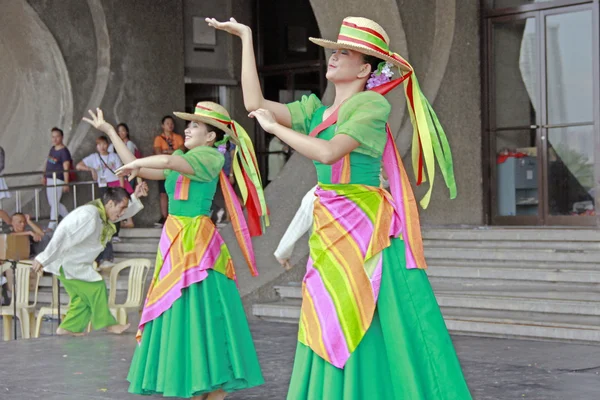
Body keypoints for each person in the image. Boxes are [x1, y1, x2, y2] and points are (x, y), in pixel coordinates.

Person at [209, 16, 469, 399]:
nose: (333, 56)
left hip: (365, 227)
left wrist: (275, 130)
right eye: (334, 50)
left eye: (344, 52)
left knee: (379, 317)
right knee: (330, 313)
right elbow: (253, 103)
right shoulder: (318, 110)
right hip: (329, 221)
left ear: (365, 69)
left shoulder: (370, 106)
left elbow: (329, 151)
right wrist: (246, 37)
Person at [84, 103, 266, 400]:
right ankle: (197, 382)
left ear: (210, 137)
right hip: (176, 240)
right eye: (189, 125)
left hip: (198, 245)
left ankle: (209, 384)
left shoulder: (209, 157)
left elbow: (167, 164)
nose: (188, 129)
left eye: (195, 126)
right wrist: (108, 131)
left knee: (201, 313)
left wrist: (137, 166)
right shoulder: (184, 156)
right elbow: (137, 165)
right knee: (183, 313)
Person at [32, 184, 148, 336]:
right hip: (65, 263)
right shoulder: (89, 216)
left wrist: (135, 196)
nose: (123, 213)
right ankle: (109, 324)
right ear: (110, 204)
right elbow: (63, 235)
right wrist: (43, 258)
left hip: (73, 263)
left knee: (82, 298)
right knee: (96, 286)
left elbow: (122, 213)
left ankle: (68, 328)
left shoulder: (103, 214)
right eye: (122, 208)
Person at [153, 116, 184, 227]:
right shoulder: (159, 138)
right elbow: (158, 153)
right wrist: (172, 152)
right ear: (163, 126)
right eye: (167, 123)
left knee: (177, 192)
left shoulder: (178, 137)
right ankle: (164, 217)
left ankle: (175, 215)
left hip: (177, 169)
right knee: (163, 193)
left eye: (171, 123)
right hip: (163, 169)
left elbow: (181, 151)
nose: (170, 125)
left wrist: (166, 151)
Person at [43, 127, 72, 230]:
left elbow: (66, 167)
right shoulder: (52, 149)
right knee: (53, 203)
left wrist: (66, 182)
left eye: (57, 137)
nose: (55, 139)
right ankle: (70, 219)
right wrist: (44, 175)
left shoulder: (64, 151)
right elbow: (48, 162)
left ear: (62, 137)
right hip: (50, 178)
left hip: (58, 179)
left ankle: (52, 225)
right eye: (53, 137)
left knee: (54, 202)